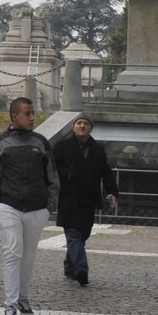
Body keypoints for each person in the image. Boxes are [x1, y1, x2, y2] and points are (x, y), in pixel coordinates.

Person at [0, 97, 59, 315]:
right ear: (14, 117)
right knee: (12, 252)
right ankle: (10, 305)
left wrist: (50, 205)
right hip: (7, 205)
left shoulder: (41, 142)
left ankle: (24, 298)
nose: (32, 117)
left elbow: (52, 176)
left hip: (37, 207)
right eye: (28, 113)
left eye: (33, 113)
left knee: (28, 256)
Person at [52, 112, 118, 287]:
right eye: (79, 123)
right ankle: (81, 269)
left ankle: (69, 264)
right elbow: (51, 167)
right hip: (69, 198)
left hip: (89, 199)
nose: (82, 126)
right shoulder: (62, 146)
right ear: (74, 126)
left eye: (86, 124)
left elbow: (106, 171)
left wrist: (112, 191)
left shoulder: (97, 149)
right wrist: (67, 174)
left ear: (90, 128)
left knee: (83, 234)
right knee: (73, 234)